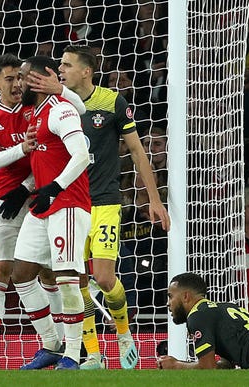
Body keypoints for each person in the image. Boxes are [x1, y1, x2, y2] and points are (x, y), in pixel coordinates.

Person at [30, 44, 170, 369]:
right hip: (70, 205)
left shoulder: (111, 102)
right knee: (76, 281)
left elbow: (136, 151)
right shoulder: (55, 105)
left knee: (104, 279)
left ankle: (123, 334)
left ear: (86, 71)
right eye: (59, 65)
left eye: (66, 65)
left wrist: (154, 200)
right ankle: (93, 353)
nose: (60, 69)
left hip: (106, 201)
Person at [0, 53, 86, 370]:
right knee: (0, 275)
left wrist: (26, 185)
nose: (16, 84)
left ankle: (68, 347)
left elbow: (78, 111)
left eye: (19, 77)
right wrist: (20, 151)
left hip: (43, 197)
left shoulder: (39, 108)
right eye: (10, 79)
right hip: (3, 200)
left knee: (53, 275)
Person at [9, 55, 91, 370]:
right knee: (22, 274)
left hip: (68, 204)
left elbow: (81, 155)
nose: (19, 84)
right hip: (45, 204)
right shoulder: (37, 114)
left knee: (67, 278)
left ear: (42, 78)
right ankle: (51, 344)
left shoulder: (61, 110)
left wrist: (54, 188)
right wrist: (26, 187)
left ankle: (73, 353)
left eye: (24, 77)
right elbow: (48, 159)